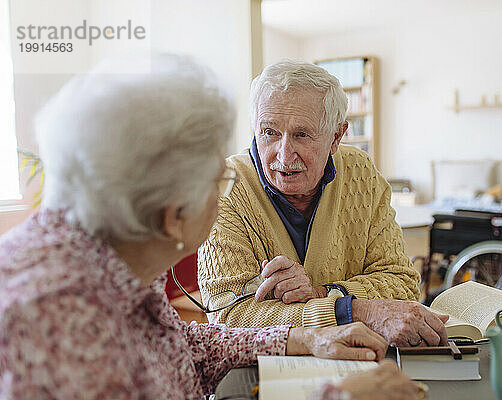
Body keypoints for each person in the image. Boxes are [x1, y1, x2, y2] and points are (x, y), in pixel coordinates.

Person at [0, 55, 423, 400]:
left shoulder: (112, 258)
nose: (276, 158)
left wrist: (299, 340)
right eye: (215, 181)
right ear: (173, 213)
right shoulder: (58, 317)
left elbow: (176, 344)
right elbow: (225, 315)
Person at [198, 59, 449, 348]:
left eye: (301, 134)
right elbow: (229, 318)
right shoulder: (226, 187)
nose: (283, 154)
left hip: (362, 360)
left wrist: (319, 293)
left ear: (336, 137)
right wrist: (351, 310)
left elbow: (402, 285)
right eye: (270, 132)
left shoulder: (360, 172)